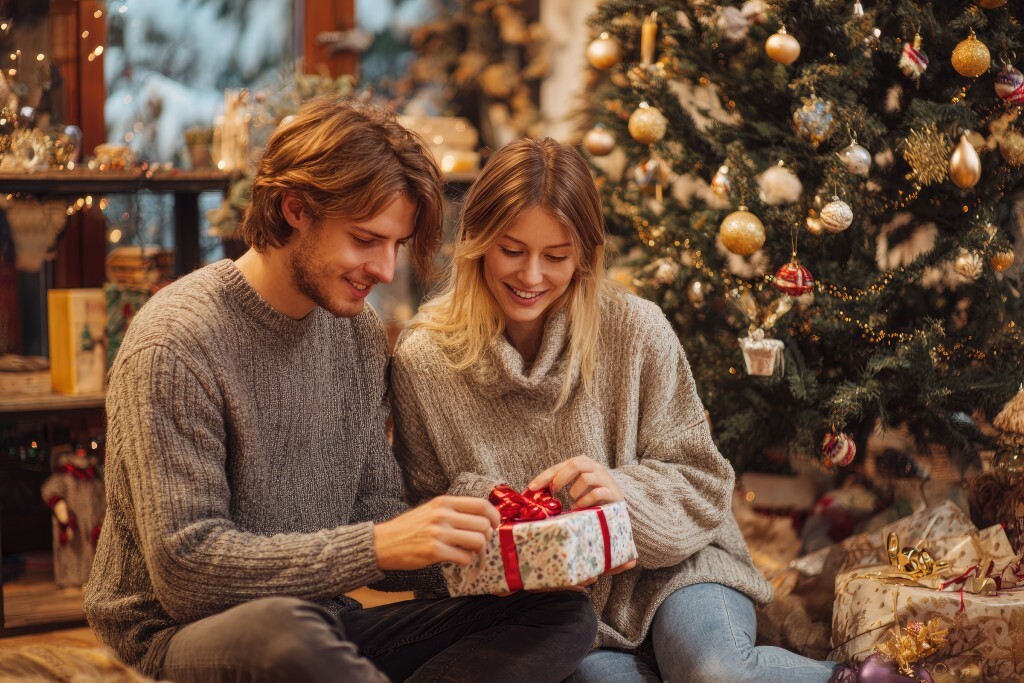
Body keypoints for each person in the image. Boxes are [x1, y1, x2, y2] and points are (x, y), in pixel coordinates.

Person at [84, 100, 597, 683]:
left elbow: (377, 512)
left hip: (322, 625)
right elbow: (186, 572)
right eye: (365, 240)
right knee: (284, 635)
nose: (383, 268)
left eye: (396, 245)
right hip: (182, 636)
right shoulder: (177, 341)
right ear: (295, 208)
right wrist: (376, 546)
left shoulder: (355, 334)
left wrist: (508, 553)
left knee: (558, 614)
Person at [390, 137, 840, 683]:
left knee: (715, 673)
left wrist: (623, 497)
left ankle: (867, 676)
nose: (531, 276)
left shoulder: (636, 329)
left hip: (679, 567)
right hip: (554, 616)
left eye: (555, 257)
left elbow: (703, 480)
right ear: (475, 241)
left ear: (583, 255)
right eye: (511, 250)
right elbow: (426, 547)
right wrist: (513, 541)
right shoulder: (424, 360)